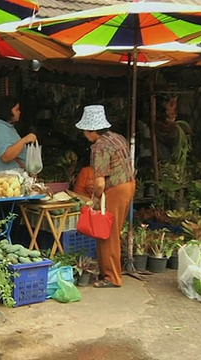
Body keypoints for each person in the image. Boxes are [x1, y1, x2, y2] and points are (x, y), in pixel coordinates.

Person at [75, 105, 135, 288]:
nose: (84, 134)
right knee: (111, 231)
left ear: (91, 130)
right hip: (129, 185)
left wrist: (93, 200)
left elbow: (100, 182)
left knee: (107, 233)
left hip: (115, 189)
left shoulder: (98, 147)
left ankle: (112, 277)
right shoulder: (117, 138)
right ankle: (107, 272)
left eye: (85, 130)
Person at [0, 96, 37, 172]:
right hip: (4, 176)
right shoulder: (1, 129)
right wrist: (24, 140)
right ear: (7, 111)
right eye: (16, 110)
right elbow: (6, 156)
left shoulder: (5, 126)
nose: (19, 112)